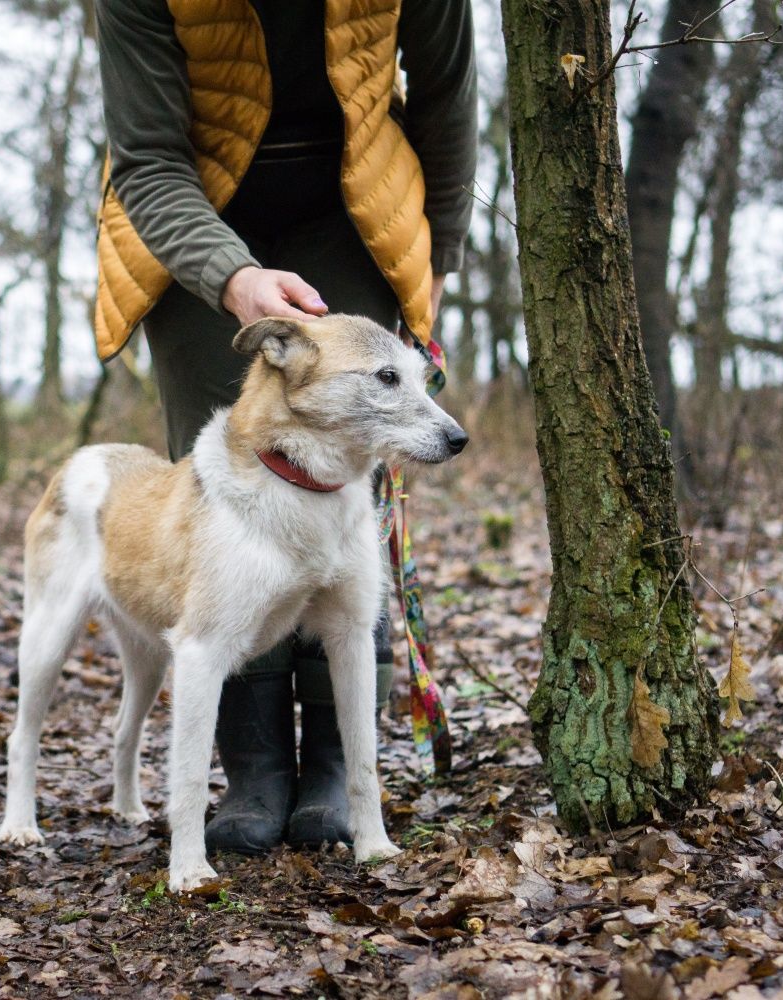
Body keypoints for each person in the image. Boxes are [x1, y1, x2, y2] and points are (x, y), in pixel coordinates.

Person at [90, 0, 476, 854]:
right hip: (193, 208)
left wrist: (435, 258)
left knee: (350, 473)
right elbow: (146, 159)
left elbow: (447, 95)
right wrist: (231, 277)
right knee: (224, 512)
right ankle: (256, 768)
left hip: (358, 199)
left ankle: (335, 767)